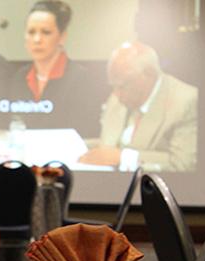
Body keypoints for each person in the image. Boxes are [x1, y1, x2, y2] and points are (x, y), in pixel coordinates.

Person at [79, 41, 198, 172]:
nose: (116, 94)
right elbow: (108, 147)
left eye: (122, 86)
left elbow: (182, 164)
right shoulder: (118, 97)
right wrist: (77, 146)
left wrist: (124, 157)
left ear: (149, 75)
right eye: (113, 86)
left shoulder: (186, 101)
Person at [1, 0, 101, 137]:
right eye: (31, 32)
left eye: (46, 32)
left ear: (62, 37)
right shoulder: (19, 78)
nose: (37, 39)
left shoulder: (82, 79)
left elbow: (87, 133)